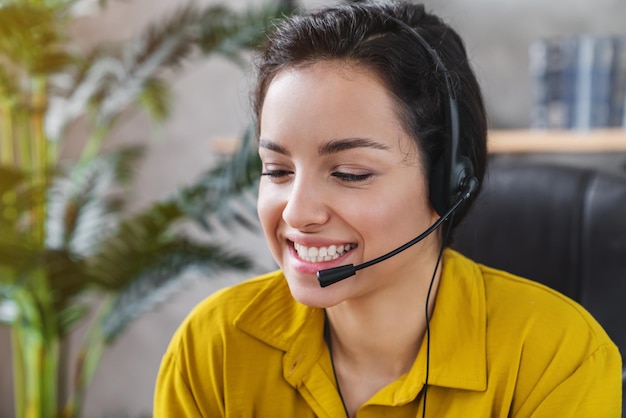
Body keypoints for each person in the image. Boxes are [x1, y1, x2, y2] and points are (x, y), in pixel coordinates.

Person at [154, 1, 622, 416]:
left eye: (349, 173)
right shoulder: (214, 347)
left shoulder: (556, 357)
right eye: (277, 170)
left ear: (448, 182)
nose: (296, 214)